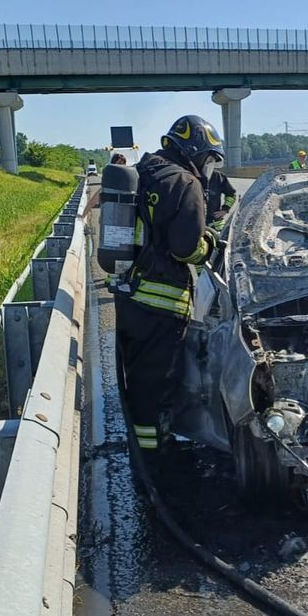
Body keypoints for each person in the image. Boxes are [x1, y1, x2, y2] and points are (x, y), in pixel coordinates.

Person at [115, 115, 223, 453]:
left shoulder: (144, 172)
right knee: (156, 384)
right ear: (195, 152)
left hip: (130, 295)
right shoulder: (186, 182)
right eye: (208, 159)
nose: (208, 168)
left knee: (138, 376)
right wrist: (211, 244)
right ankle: (154, 456)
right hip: (161, 303)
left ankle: (145, 442)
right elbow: (185, 249)